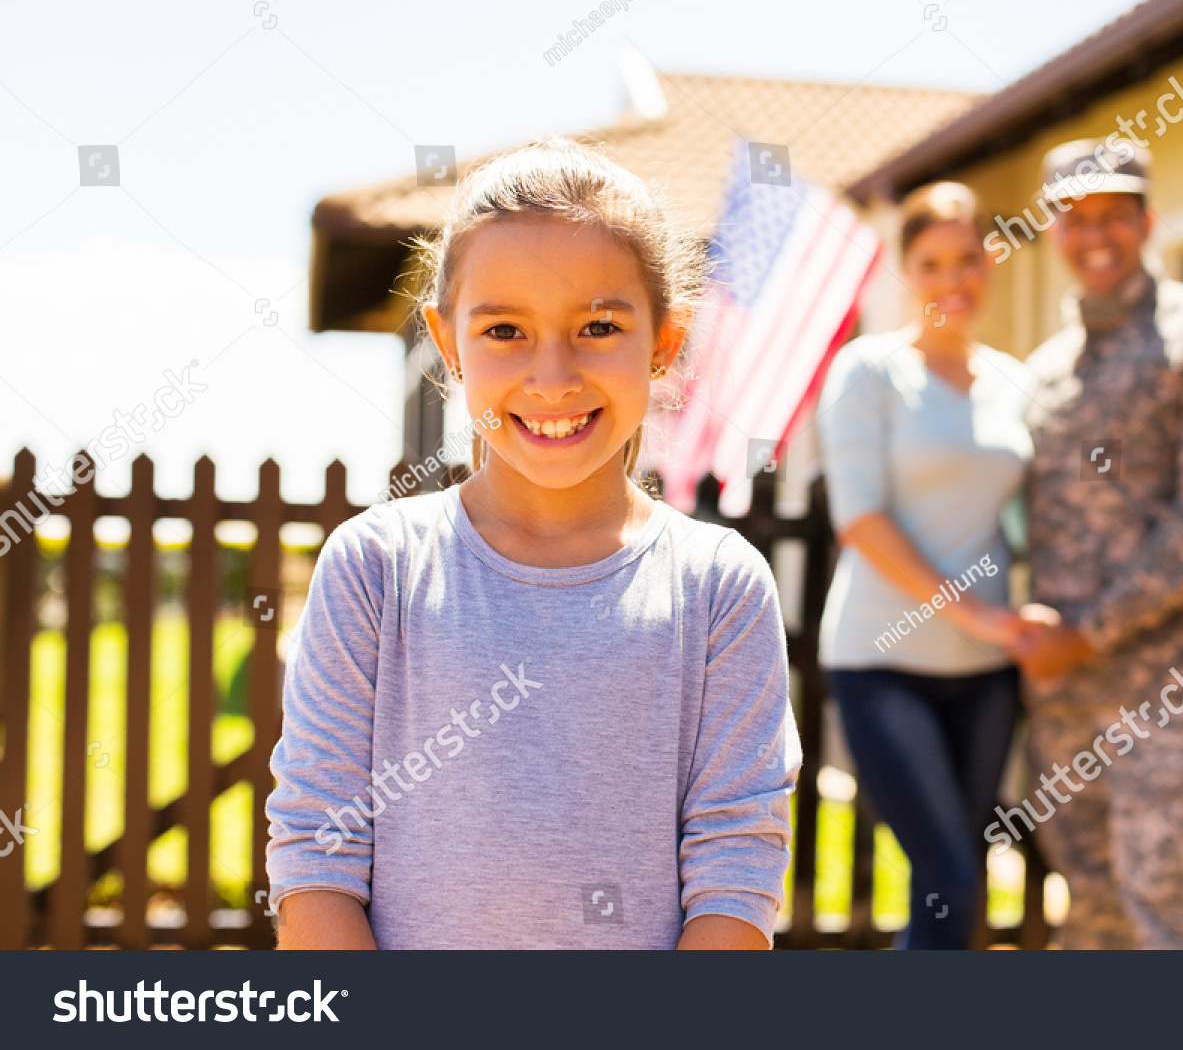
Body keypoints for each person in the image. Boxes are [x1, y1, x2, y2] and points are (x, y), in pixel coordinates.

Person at [265, 137, 801, 950]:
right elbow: (316, 856)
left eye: (597, 325)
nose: (552, 377)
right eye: (506, 329)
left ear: (664, 339)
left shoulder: (719, 588)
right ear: (447, 344)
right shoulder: (375, 568)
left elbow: (735, 871)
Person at [1006, 139, 1183, 948]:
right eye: (1076, 217)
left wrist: (1087, 628)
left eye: (1115, 217)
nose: (1096, 235)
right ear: (1054, 230)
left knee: (1174, 917)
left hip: (1170, 700)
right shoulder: (1046, 370)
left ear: (1148, 222)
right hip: (1065, 709)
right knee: (1091, 917)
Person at [815, 181, 1034, 948]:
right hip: (883, 658)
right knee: (945, 870)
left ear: (991, 261)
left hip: (987, 671)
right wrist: (972, 610)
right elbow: (860, 520)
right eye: (932, 262)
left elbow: (1037, 516)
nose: (953, 279)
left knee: (956, 876)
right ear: (907, 270)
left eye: (968, 259)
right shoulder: (868, 373)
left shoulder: (1017, 382)